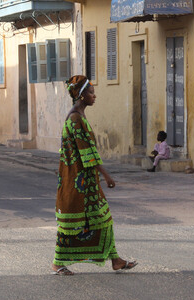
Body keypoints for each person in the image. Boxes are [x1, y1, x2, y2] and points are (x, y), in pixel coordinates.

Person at [51, 75, 137, 276]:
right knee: (73, 223)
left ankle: (115, 259)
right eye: (91, 92)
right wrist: (106, 175)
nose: (94, 96)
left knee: (100, 219)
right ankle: (57, 262)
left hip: (85, 181)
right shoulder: (75, 119)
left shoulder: (78, 116)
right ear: (81, 96)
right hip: (77, 182)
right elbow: (87, 152)